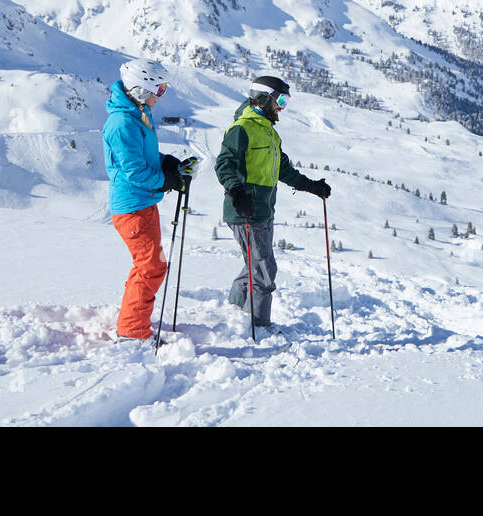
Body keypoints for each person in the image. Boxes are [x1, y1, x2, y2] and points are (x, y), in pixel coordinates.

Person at [215, 75, 331, 331]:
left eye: (285, 100)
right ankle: (259, 326)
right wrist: (237, 192)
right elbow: (224, 164)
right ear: (263, 98)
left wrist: (311, 186)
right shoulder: (241, 129)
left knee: (254, 265)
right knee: (265, 269)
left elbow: (283, 170)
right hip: (246, 211)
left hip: (264, 211)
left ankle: (236, 313)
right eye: (280, 99)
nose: (282, 106)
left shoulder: (269, 132)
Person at [102, 59, 192, 341]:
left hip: (144, 203)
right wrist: (167, 181)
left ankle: (133, 319)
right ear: (141, 88)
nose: (160, 96)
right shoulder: (122, 123)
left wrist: (169, 164)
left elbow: (146, 158)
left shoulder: (137, 113)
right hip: (132, 207)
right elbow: (135, 171)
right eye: (159, 90)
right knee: (150, 266)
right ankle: (132, 329)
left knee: (150, 264)